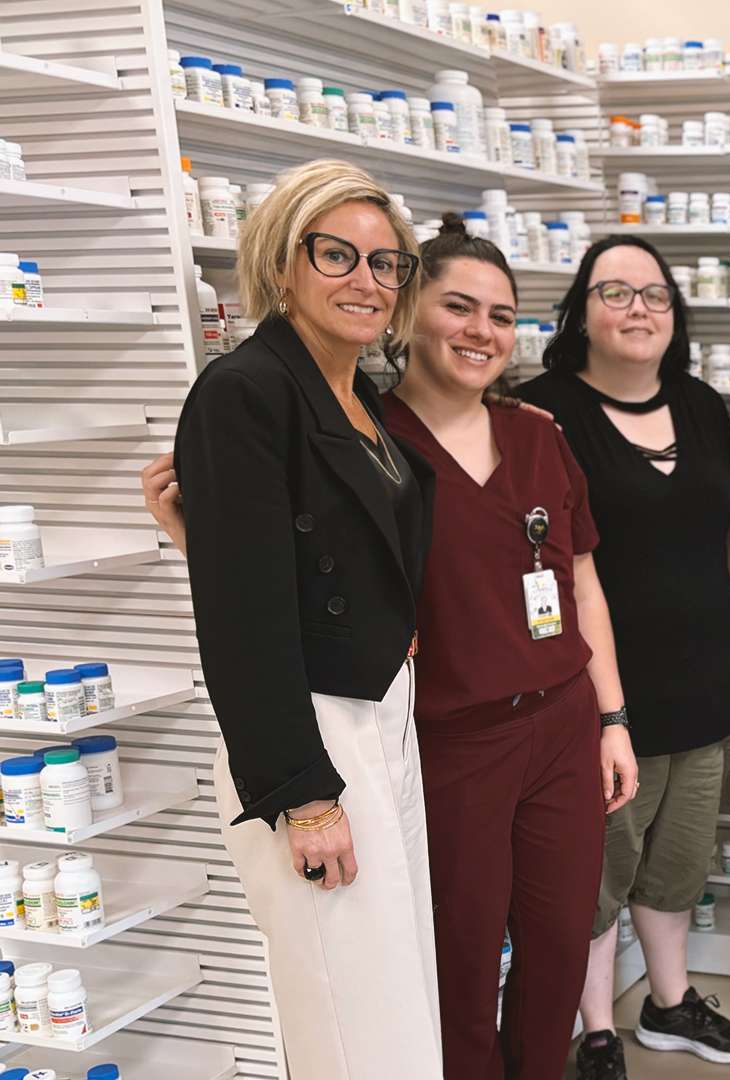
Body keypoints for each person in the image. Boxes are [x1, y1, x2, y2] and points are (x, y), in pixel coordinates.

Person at [155, 203, 642, 1079]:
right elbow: (295, 586)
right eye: (459, 306)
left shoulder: (529, 433)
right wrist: (205, 539)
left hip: (562, 727)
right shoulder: (366, 435)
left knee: (558, 952)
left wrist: (612, 718)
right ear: (413, 313)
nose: (481, 330)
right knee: (452, 970)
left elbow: (580, 580)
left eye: (501, 315)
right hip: (450, 740)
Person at [169, 158, 443, 1079]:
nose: (368, 280)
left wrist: (201, 536)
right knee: (348, 1014)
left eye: (386, 262)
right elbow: (244, 621)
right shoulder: (244, 391)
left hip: (379, 709)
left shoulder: (354, 393)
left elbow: (312, 550)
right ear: (282, 262)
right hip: (312, 732)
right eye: (338, 255)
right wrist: (304, 795)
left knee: (395, 993)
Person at [516, 235, 730, 1080]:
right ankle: (596, 1032)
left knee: (677, 867)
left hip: (703, 691)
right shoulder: (540, 414)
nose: (638, 309)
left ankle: (668, 1001)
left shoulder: (700, 406)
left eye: (655, 294)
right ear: (580, 312)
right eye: (614, 292)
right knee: (595, 876)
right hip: (599, 700)